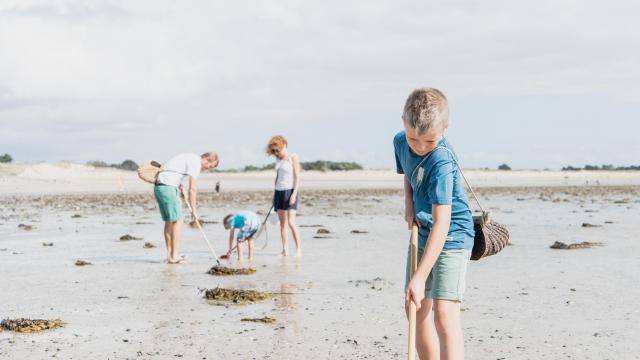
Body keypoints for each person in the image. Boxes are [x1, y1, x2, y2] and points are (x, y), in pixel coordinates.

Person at [394, 88, 475, 360]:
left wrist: (418, 278)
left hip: (452, 233)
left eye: (428, 140)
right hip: (424, 227)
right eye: (413, 138)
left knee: (444, 313)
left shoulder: (441, 158)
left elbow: (443, 222)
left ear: (445, 128)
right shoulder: (400, 141)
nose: (419, 146)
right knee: (415, 309)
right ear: (403, 123)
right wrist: (409, 206)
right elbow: (408, 172)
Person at [154, 152, 219, 264]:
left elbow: (172, 172)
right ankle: (174, 256)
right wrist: (194, 211)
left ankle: (170, 256)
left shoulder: (189, 157)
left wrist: (179, 186)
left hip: (160, 188)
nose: (208, 169)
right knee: (178, 221)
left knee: (169, 222)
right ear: (207, 159)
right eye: (210, 166)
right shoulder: (196, 163)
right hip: (168, 188)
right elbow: (192, 190)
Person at [266, 135, 302, 257]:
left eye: (278, 150)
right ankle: (285, 249)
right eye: (274, 151)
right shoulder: (278, 159)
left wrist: (294, 194)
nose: (276, 153)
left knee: (291, 221)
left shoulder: (293, 157)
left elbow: (297, 177)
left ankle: (298, 250)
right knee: (282, 224)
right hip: (279, 192)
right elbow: (277, 178)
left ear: (284, 145)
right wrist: (274, 195)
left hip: (290, 191)